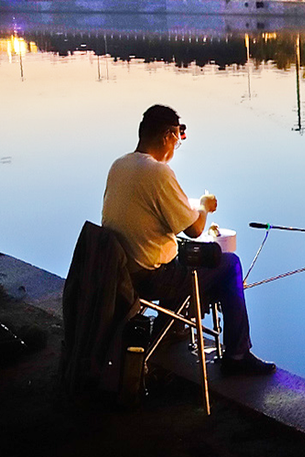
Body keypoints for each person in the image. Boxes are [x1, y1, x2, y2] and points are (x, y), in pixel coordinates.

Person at [101, 104, 275, 376]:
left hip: (120, 272)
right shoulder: (158, 172)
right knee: (229, 265)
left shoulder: (119, 165)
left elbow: (150, 214)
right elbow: (194, 229)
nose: (175, 148)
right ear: (168, 136)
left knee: (183, 257)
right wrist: (204, 207)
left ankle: (171, 327)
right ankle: (238, 354)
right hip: (150, 278)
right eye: (177, 140)